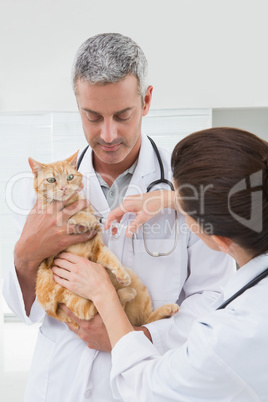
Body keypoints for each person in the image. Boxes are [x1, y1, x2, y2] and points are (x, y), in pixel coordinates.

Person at [3, 34, 235, 402]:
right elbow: (24, 310)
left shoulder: (185, 183)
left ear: (146, 101)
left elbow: (213, 297)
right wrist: (25, 254)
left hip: (144, 380)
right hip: (59, 385)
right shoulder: (48, 188)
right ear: (78, 105)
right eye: (93, 117)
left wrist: (132, 336)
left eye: (122, 116)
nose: (108, 134)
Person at [52, 127, 268, 401]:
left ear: (219, 239)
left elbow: (147, 387)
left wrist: (104, 293)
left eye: (185, 208)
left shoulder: (233, 336)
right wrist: (169, 199)